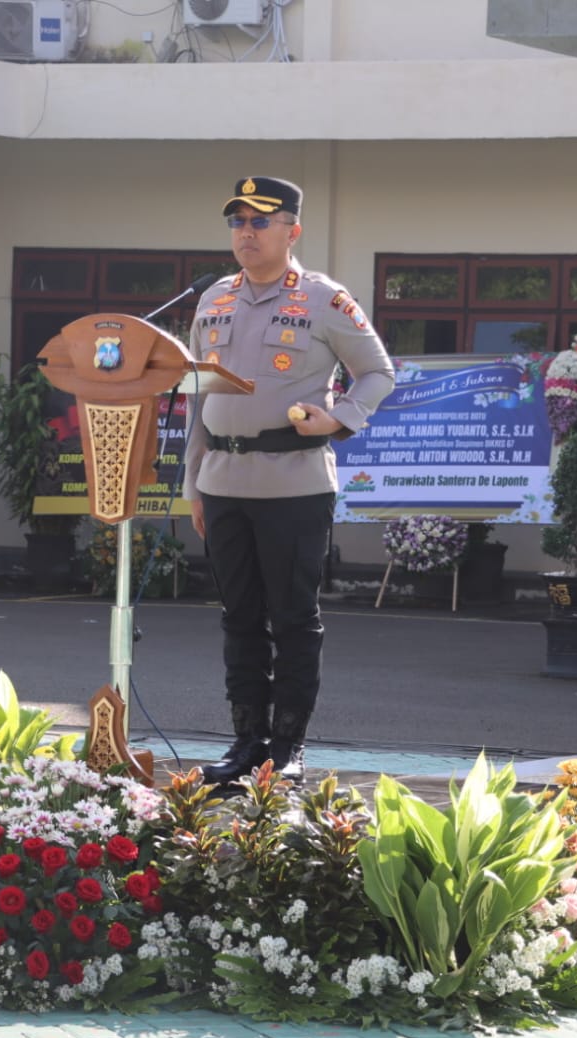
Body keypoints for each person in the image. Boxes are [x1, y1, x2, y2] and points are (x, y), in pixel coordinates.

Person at [182, 176, 395, 787]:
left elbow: (377, 373)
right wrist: (194, 482)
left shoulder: (324, 299)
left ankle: (287, 748)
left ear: (291, 230)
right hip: (223, 482)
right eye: (237, 222)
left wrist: (342, 417)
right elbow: (199, 397)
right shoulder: (213, 298)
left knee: (293, 620)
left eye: (260, 221)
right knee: (238, 617)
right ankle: (246, 743)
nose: (246, 232)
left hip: (295, 485)